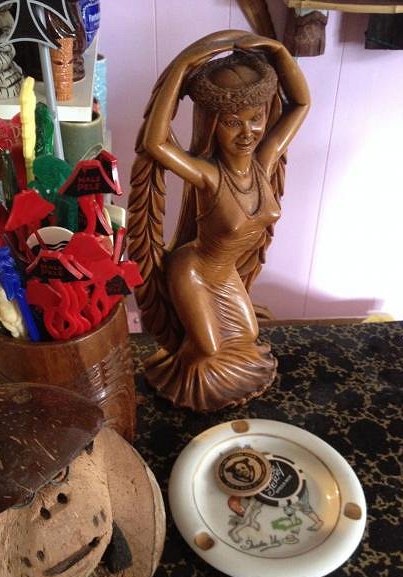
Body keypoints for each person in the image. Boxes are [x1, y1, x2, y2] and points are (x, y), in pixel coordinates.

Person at [127, 30, 310, 411]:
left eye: (256, 119)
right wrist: (182, 67)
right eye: (232, 122)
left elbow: (301, 103)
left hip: (224, 274)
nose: (248, 132)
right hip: (192, 271)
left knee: (249, 338)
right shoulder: (209, 175)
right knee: (208, 349)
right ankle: (185, 383)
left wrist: (279, 51)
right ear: (213, 124)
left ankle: (216, 380)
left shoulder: (264, 162)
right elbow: (156, 143)